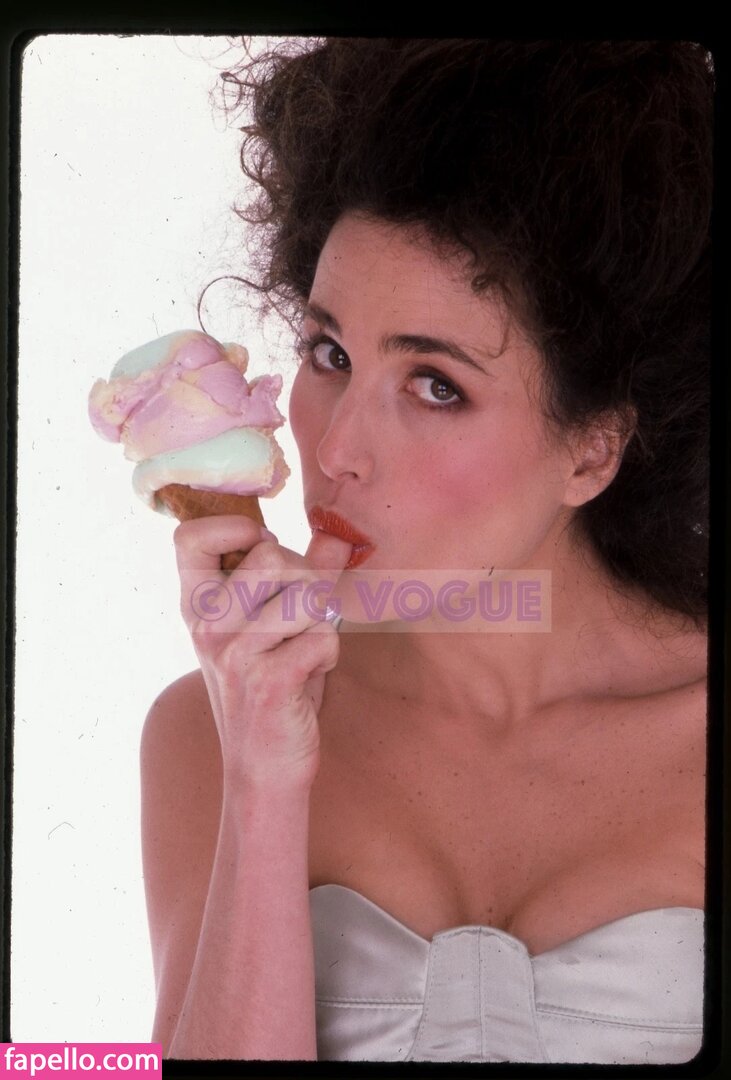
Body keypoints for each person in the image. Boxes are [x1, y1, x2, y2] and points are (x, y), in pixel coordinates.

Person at [140, 39, 711, 1063]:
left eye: (435, 386)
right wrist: (262, 779)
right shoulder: (210, 730)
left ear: (592, 449)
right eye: (329, 353)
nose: (334, 450)